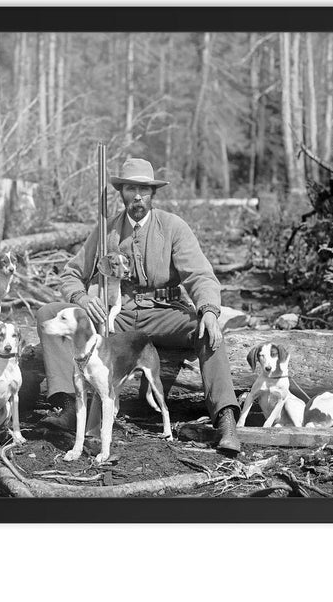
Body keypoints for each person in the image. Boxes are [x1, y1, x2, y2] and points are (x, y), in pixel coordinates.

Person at [35, 157, 241, 453]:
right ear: (122, 193)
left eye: (144, 190)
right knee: (48, 313)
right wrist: (83, 299)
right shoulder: (106, 230)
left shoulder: (172, 227)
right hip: (117, 315)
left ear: (153, 194)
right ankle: (70, 406)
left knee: (208, 330)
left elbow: (200, 276)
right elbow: (71, 274)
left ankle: (225, 419)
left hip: (164, 313)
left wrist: (209, 309)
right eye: (131, 189)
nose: (138, 196)